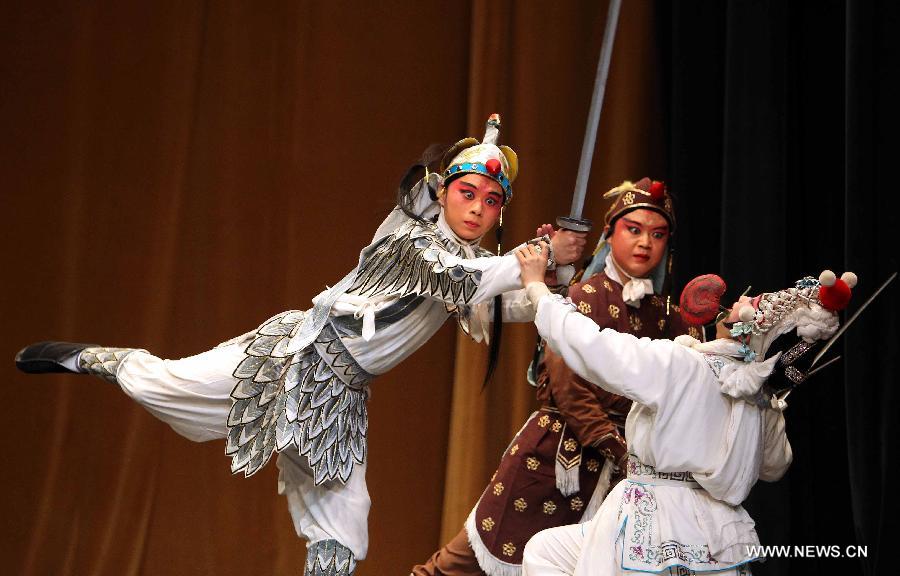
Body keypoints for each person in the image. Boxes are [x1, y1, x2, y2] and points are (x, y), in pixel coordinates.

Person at [14, 115, 586, 576]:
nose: (478, 209)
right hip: (298, 354)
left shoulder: (471, 260)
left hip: (342, 394)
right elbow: (466, 283)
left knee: (344, 524)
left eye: (491, 202)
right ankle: (90, 358)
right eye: (468, 194)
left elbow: (502, 299)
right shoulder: (410, 242)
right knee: (172, 386)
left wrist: (556, 272)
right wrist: (532, 262)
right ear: (443, 192)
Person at [412, 178, 700, 576]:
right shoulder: (581, 296)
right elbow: (568, 387)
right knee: (460, 567)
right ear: (609, 234)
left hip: (629, 478)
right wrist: (617, 448)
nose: (645, 243)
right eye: (633, 230)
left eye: (657, 234)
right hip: (557, 460)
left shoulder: (668, 316)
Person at [514, 241, 855, 576]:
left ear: (749, 328)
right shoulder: (759, 394)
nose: (737, 299)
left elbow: (592, 346)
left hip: (654, 513)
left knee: (548, 553)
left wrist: (537, 289)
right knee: (546, 550)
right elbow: (775, 466)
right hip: (716, 528)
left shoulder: (682, 364)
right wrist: (771, 407)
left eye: (746, 302)